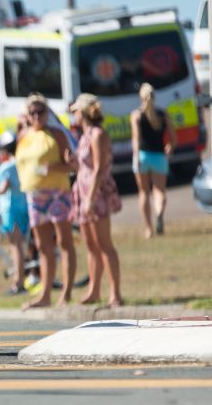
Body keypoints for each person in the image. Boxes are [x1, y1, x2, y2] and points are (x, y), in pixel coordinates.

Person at [16, 93, 77, 309]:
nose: (37, 116)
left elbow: (73, 165)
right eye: (32, 112)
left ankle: (66, 293)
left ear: (47, 112)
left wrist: (53, 168)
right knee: (43, 245)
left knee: (64, 241)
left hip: (57, 192)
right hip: (34, 194)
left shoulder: (57, 134)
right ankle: (45, 295)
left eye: (41, 111)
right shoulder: (23, 135)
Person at [70, 93, 123, 307]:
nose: (73, 115)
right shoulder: (85, 135)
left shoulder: (98, 134)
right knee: (90, 244)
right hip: (83, 192)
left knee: (104, 244)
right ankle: (94, 290)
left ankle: (115, 293)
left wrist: (91, 198)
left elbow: (100, 168)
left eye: (75, 111)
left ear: (82, 112)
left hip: (96, 193)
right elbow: (85, 166)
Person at [0, 132, 29, 295]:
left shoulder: (6, 168)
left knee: (15, 246)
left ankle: (19, 283)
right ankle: (20, 279)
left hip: (11, 210)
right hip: (21, 207)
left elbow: (3, 189)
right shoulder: (20, 163)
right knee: (18, 245)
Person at [130, 82, 176, 238]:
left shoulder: (136, 115)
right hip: (159, 156)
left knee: (144, 192)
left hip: (143, 155)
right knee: (159, 191)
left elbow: (136, 139)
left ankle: (148, 229)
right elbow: (173, 137)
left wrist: (136, 157)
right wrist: (170, 147)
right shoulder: (162, 115)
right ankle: (159, 214)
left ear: (140, 98)